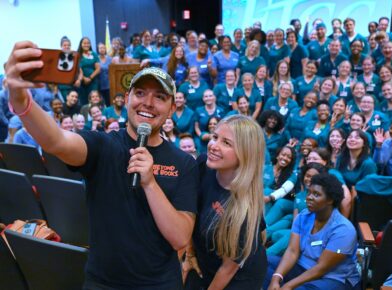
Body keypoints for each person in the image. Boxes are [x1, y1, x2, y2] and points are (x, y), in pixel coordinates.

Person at [6, 43, 199, 288]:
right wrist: (20, 98)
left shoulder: (184, 163)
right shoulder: (103, 145)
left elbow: (180, 238)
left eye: (159, 97)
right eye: (140, 93)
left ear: (172, 108)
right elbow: (56, 140)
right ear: (127, 98)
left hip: (159, 284)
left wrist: (150, 183)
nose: (148, 102)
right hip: (104, 282)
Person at [183, 115, 267, 289]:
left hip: (236, 278)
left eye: (226, 143)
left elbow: (228, 269)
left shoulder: (244, 211)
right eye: (215, 137)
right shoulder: (202, 165)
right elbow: (192, 212)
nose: (213, 146)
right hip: (204, 261)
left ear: (245, 154)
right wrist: (190, 254)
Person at [264, 173, 361, 290]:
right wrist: (276, 278)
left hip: (333, 278)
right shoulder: (303, 216)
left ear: (330, 200)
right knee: (262, 262)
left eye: (316, 194)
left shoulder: (344, 230)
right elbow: (292, 251)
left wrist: (289, 286)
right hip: (302, 267)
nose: (309, 197)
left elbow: (321, 268)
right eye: (309, 192)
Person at [77, 37, 101, 105]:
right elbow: (78, 69)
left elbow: (98, 69)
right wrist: (84, 79)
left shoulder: (94, 54)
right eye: (84, 43)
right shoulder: (77, 55)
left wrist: (90, 78)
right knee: (83, 101)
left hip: (93, 81)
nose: (86, 45)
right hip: (82, 82)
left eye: (88, 43)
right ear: (81, 44)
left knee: (94, 100)